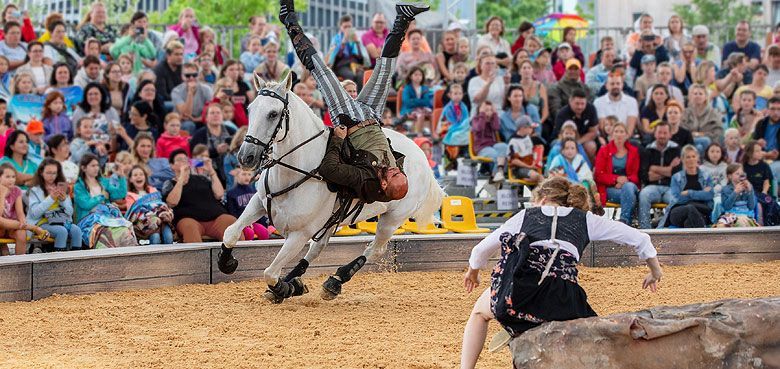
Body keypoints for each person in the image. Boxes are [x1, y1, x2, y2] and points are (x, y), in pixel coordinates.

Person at [460, 176, 662, 369]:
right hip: (565, 301)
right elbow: (640, 239)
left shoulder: (525, 216)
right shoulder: (586, 220)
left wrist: (473, 273)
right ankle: (529, 328)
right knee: (591, 335)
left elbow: (479, 251)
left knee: (479, 312)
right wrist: (655, 271)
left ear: (544, 199)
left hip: (519, 295)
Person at [279, 0, 428, 203]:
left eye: (394, 174)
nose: (395, 170)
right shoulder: (394, 175)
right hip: (373, 116)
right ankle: (403, 18)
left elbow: (329, 169)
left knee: (321, 70)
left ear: (383, 185)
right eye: (399, 173)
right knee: (386, 68)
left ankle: (288, 17)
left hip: (349, 119)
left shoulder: (364, 179)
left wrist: (339, 139)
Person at [163, 148, 234, 243]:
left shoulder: (201, 178)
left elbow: (219, 194)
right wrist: (181, 179)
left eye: (185, 159)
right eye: (180, 160)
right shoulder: (170, 183)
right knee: (189, 227)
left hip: (215, 218)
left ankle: (239, 256)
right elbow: (171, 203)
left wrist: (211, 171)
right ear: (172, 166)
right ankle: (196, 258)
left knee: (230, 221)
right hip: (189, 220)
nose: (184, 162)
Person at [27, 158, 82, 251]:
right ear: (41, 172)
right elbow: (34, 214)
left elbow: (69, 213)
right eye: (48, 173)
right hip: (42, 223)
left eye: (54, 173)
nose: (51, 176)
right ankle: (57, 261)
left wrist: (64, 200)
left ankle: (76, 261)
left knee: (77, 230)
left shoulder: (61, 187)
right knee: (61, 231)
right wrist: (51, 198)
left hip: (62, 221)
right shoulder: (35, 190)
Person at [594, 122, 640, 225]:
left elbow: (635, 176)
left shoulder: (633, 151)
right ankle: (627, 223)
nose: (619, 134)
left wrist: (624, 181)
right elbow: (599, 175)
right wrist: (616, 180)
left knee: (628, 188)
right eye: (616, 131)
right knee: (630, 196)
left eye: (622, 132)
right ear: (612, 134)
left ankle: (624, 221)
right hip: (611, 189)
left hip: (629, 185)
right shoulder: (604, 150)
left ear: (627, 135)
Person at [638, 121, 681, 229]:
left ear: (670, 134)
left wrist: (654, 169)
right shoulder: (647, 150)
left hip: (671, 187)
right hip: (652, 187)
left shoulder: (677, 150)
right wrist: (668, 170)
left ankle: (660, 229)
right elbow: (645, 175)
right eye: (659, 132)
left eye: (665, 133)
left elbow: (677, 173)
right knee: (643, 195)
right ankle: (645, 229)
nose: (662, 135)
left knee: (676, 199)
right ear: (655, 134)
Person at [660, 145, 714, 228]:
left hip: (701, 212)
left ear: (697, 158)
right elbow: (677, 198)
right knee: (690, 208)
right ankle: (705, 237)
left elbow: (710, 195)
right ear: (683, 159)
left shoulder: (706, 176)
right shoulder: (676, 177)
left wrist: (689, 193)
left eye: (693, 156)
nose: (691, 159)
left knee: (689, 222)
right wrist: (701, 194)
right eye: (688, 157)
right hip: (678, 211)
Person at [0, 163, 49, 255]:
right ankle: (34, 228)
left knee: (21, 233)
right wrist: (2, 194)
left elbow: (20, 212)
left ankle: (21, 264)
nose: (11, 179)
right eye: (7, 177)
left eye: (13, 176)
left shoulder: (16, 190)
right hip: (1, 228)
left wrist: (22, 220)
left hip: (12, 226)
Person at [125, 165, 174, 245]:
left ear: (145, 177)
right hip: (143, 225)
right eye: (135, 175)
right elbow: (133, 214)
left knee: (169, 236)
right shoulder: (129, 195)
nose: (138, 177)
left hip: (161, 220)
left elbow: (160, 205)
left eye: (141, 174)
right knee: (155, 237)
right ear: (130, 179)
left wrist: (163, 214)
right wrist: (152, 218)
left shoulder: (153, 190)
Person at [73, 153, 127, 222]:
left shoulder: (103, 182)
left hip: (105, 217)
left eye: (97, 165)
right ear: (83, 168)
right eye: (93, 166)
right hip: (88, 221)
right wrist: (102, 196)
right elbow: (86, 204)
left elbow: (120, 194)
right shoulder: (78, 186)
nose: (96, 168)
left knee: (126, 228)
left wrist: (121, 177)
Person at [552, 89, 598, 160]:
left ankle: (588, 168)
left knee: (591, 146)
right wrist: (571, 144)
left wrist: (577, 143)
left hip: (582, 139)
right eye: (577, 103)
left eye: (582, 104)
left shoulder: (591, 109)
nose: (580, 107)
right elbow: (560, 135)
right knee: (557, 148)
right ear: (570, 101)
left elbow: (593, 132)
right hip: (562, 139)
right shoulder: (562, 114)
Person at [227, 168, 272, 241]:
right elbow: (232, 212)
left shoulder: (254, 191)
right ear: (237, 176)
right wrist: (242, 224)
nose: (247, 177)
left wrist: (266, 224)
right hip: (241, 223)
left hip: (254, 222)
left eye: (249, 174)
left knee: (264, 232)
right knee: (249, 233)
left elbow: (259, 209)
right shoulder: (231, 193)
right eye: (244, 174)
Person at [326, 15, 369, 88]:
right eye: (345, 27)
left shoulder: (355, 38)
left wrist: (357, 43)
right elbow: (334, 57)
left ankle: (358, 97)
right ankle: (349, 96)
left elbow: (361, 56)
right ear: (340, 27)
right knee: (350, 76)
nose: (348, 29)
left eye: (349, 27)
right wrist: (343, 42)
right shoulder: (336, 39)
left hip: (355, 64)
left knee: (361, 76)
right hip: (342, 65)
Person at [472, 100, 507, 182]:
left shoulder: (492, 121)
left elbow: (496, 127)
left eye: (491, 110)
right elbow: (480, 128)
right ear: (480, 111)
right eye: (486, 110)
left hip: (492, 145)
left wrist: (495, 114)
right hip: (481, 147)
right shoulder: (475, 120)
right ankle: (495, 177)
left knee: (504, 147)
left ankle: (498, 173)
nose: (489, 113)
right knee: (495, 155)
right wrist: (482, 115)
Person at [593, 74, 639, 138]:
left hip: (626, 138)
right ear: (606, 86)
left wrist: (620, 141)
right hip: (607, 138)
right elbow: (602, 128)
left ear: (622, 85)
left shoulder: (632, 101)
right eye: (612, 84)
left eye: (618, 83)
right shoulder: (598, 102)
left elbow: (630, 129)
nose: (615, 86)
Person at [172, 62, 212, 134]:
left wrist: (196, 119)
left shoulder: (207, 89)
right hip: (183, 121)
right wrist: (190, 93)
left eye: (194, 75)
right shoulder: (176, 91)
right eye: (187, 75)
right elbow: (186, 113)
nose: (191, 78)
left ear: (198, 75)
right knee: (189, 125)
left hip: (201, 119)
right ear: (182, 76)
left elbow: (210, 110)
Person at [683, 84, 723, 154]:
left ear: (705, 97)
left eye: (700, 94)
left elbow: (718, 133)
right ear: (691, 96)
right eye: (695, 94)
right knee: (699, 146)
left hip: (709, 144)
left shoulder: (714, 113)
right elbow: (682, 129)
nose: (697, 96)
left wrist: (701, 134)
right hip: (690, 142)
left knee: (702, 144)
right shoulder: (686, 112)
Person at [506, 116, 543, 184]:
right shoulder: (513, 141)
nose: (532, 129)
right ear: (522, 128)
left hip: (530, 167)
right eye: (530, 127)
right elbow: (514, 161)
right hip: (519, 169)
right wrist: (529, 166)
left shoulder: (527, 137)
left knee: (544, 176)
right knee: (537, 177)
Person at [751, 96, 780, 182]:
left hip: (777, 160)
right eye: (772, 109)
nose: (776, 112)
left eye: (779, 109)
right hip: (761, 158)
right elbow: (752, 145)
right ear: (767, 110)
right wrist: (757, 142)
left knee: (772, 169)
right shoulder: (761, 124)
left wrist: (776, 155)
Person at [400, 66, 433, 135]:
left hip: (422, 108)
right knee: (420, 115)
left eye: (420, 75)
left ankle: (433, 133)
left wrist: (414, 100)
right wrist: (420, 101)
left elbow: (426, 101)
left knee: (432, 114)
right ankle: (418, 134)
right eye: (415, 74)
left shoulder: (425, 88)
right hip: (410, 109)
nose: (418, 77)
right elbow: (407, 102)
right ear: (410, 76)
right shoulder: (407, 88)